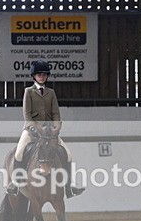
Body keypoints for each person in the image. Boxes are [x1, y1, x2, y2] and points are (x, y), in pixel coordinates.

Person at [7, 60, 84, 198]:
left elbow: (56, 113)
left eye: (43, 74)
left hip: (49, 132)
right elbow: (27, 113)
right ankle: (16, 183)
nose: (41, 77)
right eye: (38, 74)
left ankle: (69, 186)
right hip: (31, 130)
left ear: (47, 76)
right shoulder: (28, 92)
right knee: (19, 153)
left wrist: (57, 128)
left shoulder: (51, 93)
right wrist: (33, 127)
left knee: (68, 154)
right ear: (34, 76)